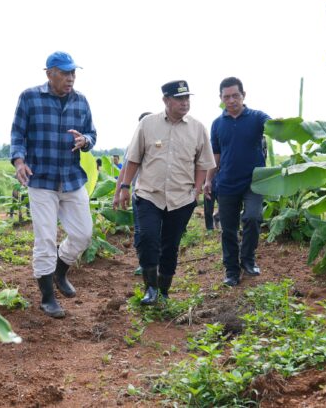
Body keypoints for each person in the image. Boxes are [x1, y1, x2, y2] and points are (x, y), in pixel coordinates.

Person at [10, 51, 97, 318]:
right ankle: (47, 297)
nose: (70, 78)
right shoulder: (30, 97)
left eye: (73, 73)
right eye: (65, 73)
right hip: (41, 179)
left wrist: (85, 141)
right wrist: (19, 162)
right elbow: (17, 134)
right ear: (50, 74)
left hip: (71, 178)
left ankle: (60, 272)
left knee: (83, 234)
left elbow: (92, 133)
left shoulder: (81, 101)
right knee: (45, 238)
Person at [113, 80, 215, 304]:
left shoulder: (198, 128)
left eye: (187, 98)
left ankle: (164, 290)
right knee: (147, 238)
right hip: (149, 194)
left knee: (170, 245)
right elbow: (133, 158)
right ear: (166, 100)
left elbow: (203, 163)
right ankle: (150, 288)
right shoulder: (148, 124)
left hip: (181, 198)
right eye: (179, 98)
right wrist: (124, 187)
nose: (184, 102)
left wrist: (196, 190)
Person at [205, 77, 270, 286]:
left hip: (254, 182)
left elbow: (274, 126)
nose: (231, 100)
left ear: (243, 95)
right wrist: (208, 180)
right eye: (226, 97)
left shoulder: (257, 117)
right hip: (226, 182)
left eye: (235, 95)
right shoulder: (217, 124)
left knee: (252, 217)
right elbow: (215, 155)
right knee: (229, 229)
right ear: (220, 98)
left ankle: (248, 260)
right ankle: (232, 270)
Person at [114, 111, 153, 276]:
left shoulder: (164, 142)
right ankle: (144, 262)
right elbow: (123, 171)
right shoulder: (132, 146)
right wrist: (118, 193)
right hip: (140, 193)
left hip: (161, 194)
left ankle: (158, 262)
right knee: (140, 230)